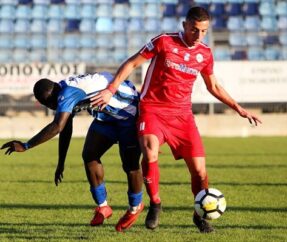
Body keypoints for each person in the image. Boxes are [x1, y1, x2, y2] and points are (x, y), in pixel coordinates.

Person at [90, 7, 262, 233]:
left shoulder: (205, 53)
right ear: (184, 25)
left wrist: (238, 108)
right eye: (194, 29)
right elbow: (132, 63)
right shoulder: (163, 41)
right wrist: (111, 90)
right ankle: (155, 203)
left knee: (200, 171)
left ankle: (199, 215)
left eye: (204, 31)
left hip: (182, 116)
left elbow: (213, 86)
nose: (198, 35)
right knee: (150, 151)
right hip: (153, 109)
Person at [1, 72, 144, 232]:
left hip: (128, 114)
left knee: (130, 165)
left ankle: (135, 206)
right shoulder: (63, 90)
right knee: (90, 155)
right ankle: (103, 207)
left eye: (49, 104)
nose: (51, 107)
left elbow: (57, 126)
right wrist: (61, 163)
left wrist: (26, 145)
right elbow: (65, 128)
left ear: (48, 100)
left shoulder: (67, 93)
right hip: (106, 117)